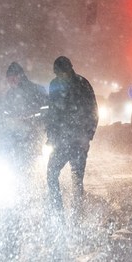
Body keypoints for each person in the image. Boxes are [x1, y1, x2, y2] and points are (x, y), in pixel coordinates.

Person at [45, 55, 98, 214]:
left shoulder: (82, 84)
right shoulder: (54, 85)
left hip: (78, 140)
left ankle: (76, 213)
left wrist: (87, 136)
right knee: (51, 173)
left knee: (77, 179)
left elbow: (93, 112)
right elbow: (52, 112)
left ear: (69, 70)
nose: (60, 77)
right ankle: (57, 212)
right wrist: (51, 135)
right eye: (57, 74)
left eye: (62, 73)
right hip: (61, 140)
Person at [2, 62, 48, 166]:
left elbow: (46, 109)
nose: (10, 82)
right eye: (8, 79)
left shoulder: (36, 89)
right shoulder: (10, 94)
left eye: (12, 78)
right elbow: (6, 111)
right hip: (16, 135)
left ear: (20, 76)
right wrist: (11, 117)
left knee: (32, 160)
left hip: (34, 133)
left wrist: (31, 117)